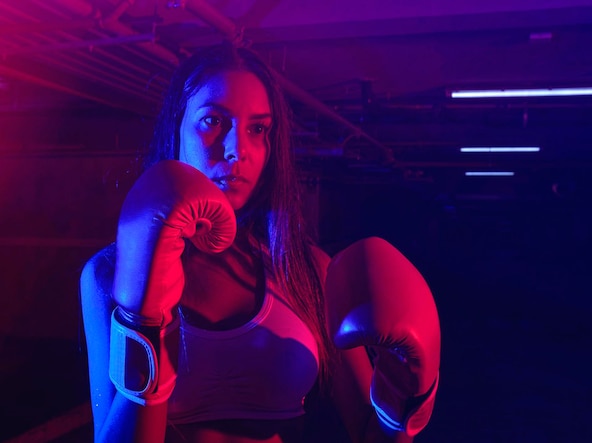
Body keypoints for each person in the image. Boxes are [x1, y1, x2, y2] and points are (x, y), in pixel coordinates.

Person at [80, 43, 440, 443]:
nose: (238, 150)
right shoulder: (108, 274)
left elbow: (372, 436)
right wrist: (143, 322)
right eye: (213, 120)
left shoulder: (308, 272)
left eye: (258, 129)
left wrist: (405, 399)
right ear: (176, 129)